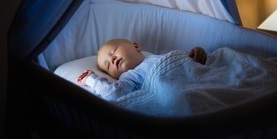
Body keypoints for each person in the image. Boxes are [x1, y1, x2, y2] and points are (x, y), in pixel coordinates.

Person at [77, 38, 207, 100]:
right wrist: (91, 79)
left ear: (136, 46)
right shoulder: (130, 77)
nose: (112, 59)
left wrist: (196, 55)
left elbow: (185, 61)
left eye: (114, 51)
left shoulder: (160, 57)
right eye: (108, 65)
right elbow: (114, 92)